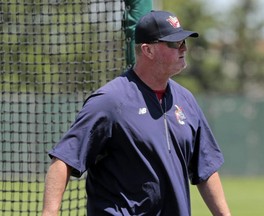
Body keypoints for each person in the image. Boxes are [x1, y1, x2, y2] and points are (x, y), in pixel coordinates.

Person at [42, 10, 231, 216]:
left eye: (184, 41)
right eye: (174, 43)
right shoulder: (110, 100)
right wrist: (49, 212)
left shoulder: (186, 100)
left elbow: (206, 168)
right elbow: (63, 159)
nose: (183, 48)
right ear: (147, 50)